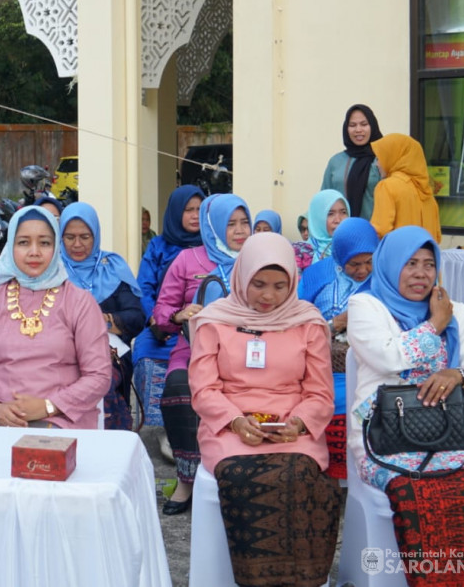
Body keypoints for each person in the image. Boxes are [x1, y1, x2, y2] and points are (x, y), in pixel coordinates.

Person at [347, 227, 464, 584]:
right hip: (384, 437)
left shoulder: (460, 313)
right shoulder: (366, 306)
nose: (421, 274)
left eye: (428, 264)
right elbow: (388, 357)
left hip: (450, 435)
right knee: (419, 492)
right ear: (390, 264)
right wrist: (436, 323)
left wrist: (459, 375)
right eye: (410, 263)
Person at [188, 232, 339, 587]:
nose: (269, 296)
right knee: (242, 475)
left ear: (292, 283)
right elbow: (204, 388)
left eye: (279, 285)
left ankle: (302, 579)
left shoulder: (308, 323)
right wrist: (236, 421)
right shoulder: (215, 321)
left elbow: (320, 392)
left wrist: (299, 424)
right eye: (258, 284)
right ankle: (256, 579)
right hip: (228, 425)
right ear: (241, 278)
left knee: (302, 477)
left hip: (292, 427)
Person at [0, 206, 112, 428]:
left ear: (56, 247)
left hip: (61, 420)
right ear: (10, 247)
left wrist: (48, 406)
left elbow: (98, 376)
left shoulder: (80, 303)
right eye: (23, 242)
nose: (34, 252)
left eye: (44, 243)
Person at [152, 192, 251, 514]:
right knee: (180, 389)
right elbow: (162, 309)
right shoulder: (188, 260)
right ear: (213, 226)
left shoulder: (257, 259)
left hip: (248, 353)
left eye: (244, 222)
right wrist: (180, 314)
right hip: (194, 350)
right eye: (230, 224)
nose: (239, 230)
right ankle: (187, 479)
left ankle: (235, 474)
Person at [297, 216, 378, 480]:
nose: (363, 270)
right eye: (354, 263)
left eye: (369, 262)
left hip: (368, 362)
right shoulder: (317, 274)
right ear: (340, 255)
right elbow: (295, 321)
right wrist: (335, 323)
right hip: (317, 361)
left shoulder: (383, 281)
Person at [58, 203, 146, 429]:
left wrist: (97, 322)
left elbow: (136, 317)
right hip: (59, 350)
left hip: (107, 350)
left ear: (95, 235)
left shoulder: (112, 266)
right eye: (69, 237)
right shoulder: (52, 270)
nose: (77, 244)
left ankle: (112, 447)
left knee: (103, 386)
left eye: (85, 237)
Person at [133, 186, 203, 437]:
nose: (195, 215)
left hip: (200, 326)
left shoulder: (212, 245)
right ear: (175, 212)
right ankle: (164, 426)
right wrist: (155, 318)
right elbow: (145, 286)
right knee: (144, 351)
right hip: (163, 325)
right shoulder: (158, 246)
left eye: (199, 209)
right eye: (188, 210)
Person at [370, 133, 442, 243]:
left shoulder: (387, 187)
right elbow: (437, 237)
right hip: (425, 258)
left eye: (379, 158)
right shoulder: (428, 195)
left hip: (398, 258)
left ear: (393, 157)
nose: (377, 164)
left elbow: (380, 231)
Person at [321, 104, 384, 219]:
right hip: (341, 231)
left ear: (373, 126)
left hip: (375, 232)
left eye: (364, 124)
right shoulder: (336, 161)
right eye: (352, 125)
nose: (358, 130)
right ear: (346, 128)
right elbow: (324, 200)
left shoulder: (382, 160)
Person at [305, 189, 349, 264]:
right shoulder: (303, 252)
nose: (338, 220)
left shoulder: (355, 248)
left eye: (343, 212)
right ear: (317, 218)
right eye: (330, 214)